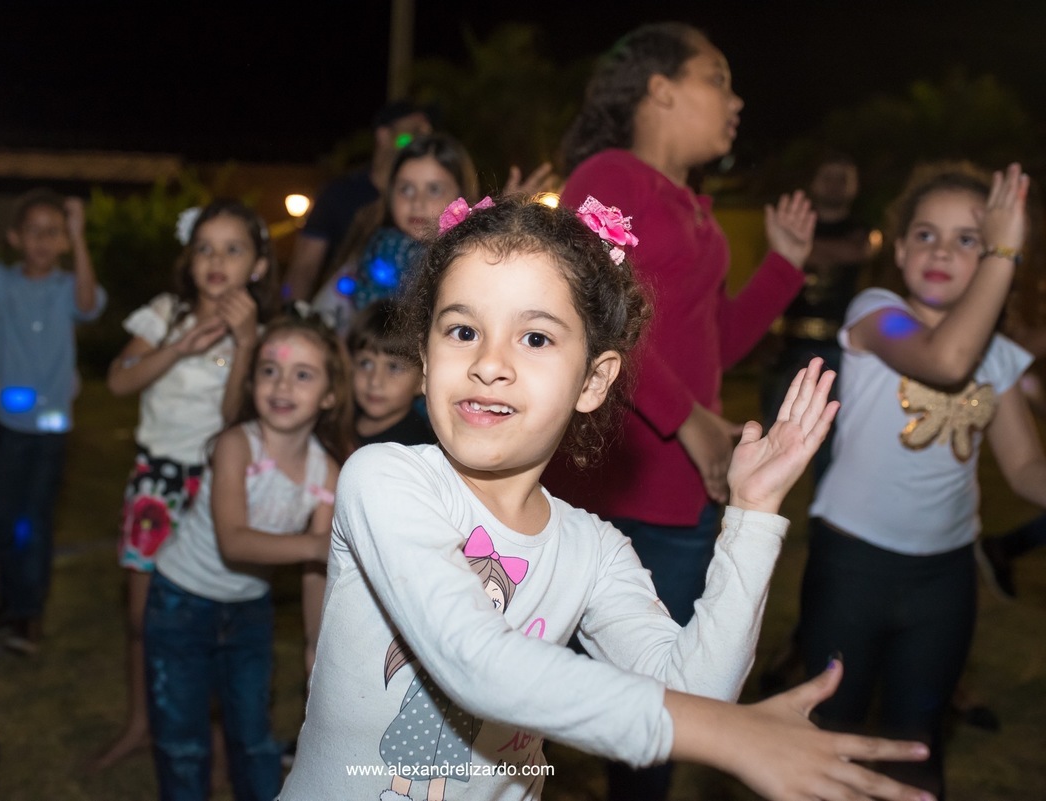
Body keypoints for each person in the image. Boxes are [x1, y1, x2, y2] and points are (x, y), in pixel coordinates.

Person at [280, 194, 935, 801]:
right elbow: (474, 660)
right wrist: (729, 734)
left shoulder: (592, 550)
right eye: (461, 330)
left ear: (594, 379)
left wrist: (753, 513)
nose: (490, 361)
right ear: (425, 359)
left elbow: (696, 691)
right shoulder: (385, 480)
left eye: (535, 337)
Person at [545, 22, 814, 798]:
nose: (736, 100)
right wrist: (689, 419)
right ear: (660, 89)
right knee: (528, 697)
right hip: (608, 486)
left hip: (686, 495)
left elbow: (715, 341)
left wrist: (784, 267)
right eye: (718, 78)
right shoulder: (608, 176)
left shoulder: (695, 207)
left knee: (660, 712)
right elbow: (591, 312)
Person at [796, 162, 1040, 798]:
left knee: (918, 749)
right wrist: (1003, 248)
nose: (941, 251)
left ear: (988, 259)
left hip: (944, 579)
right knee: (826, 743)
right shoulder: (877, 315)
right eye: (926, 235)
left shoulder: (1001, 354)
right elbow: (943, 360)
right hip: (852, 566)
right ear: (900, 250)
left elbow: (1026, 470)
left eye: (968, 239)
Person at [92, 201, 280, 770]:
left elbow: (234, 422)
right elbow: (118, 383)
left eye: (232, 248)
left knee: (211, 623)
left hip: (217, 489)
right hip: (155, 481)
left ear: (259, 266)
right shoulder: (165, 313)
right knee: (141, 617)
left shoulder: (265, 336)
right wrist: (179, 345)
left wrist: (245, 345)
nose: (216, 260)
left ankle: (214, 733)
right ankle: (141, 723)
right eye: (204, 248)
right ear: (189, 259)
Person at [145, 311, 354, 800]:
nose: (282, 384)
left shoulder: (328, 473)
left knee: (254, 739)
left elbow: (313, 571)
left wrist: (313, 644)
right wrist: (315, 545)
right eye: (269, 370)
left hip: (249, 614)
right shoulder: (236, 445)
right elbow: (234, 541)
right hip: (180, 602)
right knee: (181, 742)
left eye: (303, 374)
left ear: (328, 394)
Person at [0, 187, 107, 655]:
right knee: (5, 521)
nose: (43, 242)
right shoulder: (0, 282)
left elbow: (88, 305)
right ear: (15, 237)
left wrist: (80, 237)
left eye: (54, 233)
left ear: (63, 242)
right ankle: (9, 605)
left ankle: (30, 614)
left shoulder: (66, 286)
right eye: (33, 232)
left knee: (36, 523)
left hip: (50, 426)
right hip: (4, 422)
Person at [760, 151, 874, 480]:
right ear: (814, 182)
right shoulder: (799, 221)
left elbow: (856, 251)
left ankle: (822, 523)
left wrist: (796, 248)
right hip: (788, 348)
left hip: (841, 351)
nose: (836, 185)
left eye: (844, 178)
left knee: (832, 445)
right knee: (773, 436)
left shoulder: (861, 228)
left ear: (855, 186)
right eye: (829, 176)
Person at [312, 132, 479, 337]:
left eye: (434, 189)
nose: (417, 203)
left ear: (462, 196)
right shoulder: (368, 259)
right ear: (390, 195)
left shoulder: (473, 260)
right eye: (406, 189)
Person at [285, 100, 434, 302]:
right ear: (384, 135)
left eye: (427, 134)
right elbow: (304, 268)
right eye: (414, 132)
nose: (422, 140)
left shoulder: (428, 201)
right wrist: (291, 316)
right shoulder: (340, 193)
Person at [347, 298, 435, 447]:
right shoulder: (336, 422)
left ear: (422, 378)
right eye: (365, 363)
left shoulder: (413, 449)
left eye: (394, 367)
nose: (375, 381)